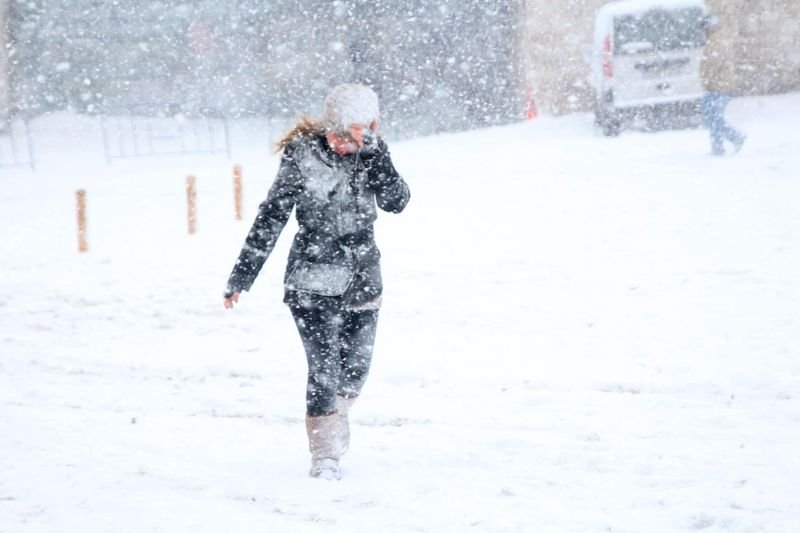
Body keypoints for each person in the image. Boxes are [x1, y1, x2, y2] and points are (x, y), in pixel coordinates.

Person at [223, 83, 410, 480]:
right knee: (324, 369)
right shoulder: (302, 155)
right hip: (311, 280)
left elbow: (397, 201)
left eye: (351, 138)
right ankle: (325, 456)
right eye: (337, 135)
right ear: (328, 127)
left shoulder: (372, 155)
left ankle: (332, 421)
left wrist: (374, 153)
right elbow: (272, 215)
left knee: (355, 371)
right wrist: (243, 274)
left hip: (364, 279)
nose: (342, 145)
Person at [700, 14, 745, 156]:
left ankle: (735, 138)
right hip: (717, 86)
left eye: (703, 29)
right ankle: (718, 147)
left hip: (718, 87)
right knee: (713, 117)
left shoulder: (716, 42)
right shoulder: (715, 40)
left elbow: (713, 65)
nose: (701, 32)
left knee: (712, 117)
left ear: (707, 28)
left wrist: (707, 81)